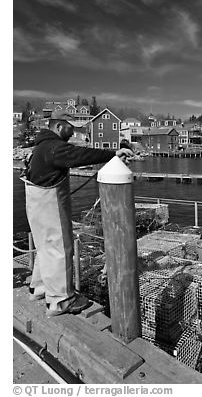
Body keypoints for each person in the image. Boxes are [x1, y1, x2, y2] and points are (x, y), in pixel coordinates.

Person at [22, 111, 134, 317]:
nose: (74, 131)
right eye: (70, 126)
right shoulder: (55, 148)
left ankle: (38, 289)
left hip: (36, 206)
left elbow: (76, 154)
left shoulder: (41, 147)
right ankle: (61, 301)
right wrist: (113, 154)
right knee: (60, 249)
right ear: (58, 127)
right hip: (50, 207)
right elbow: (81, 155)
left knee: (45, 247)